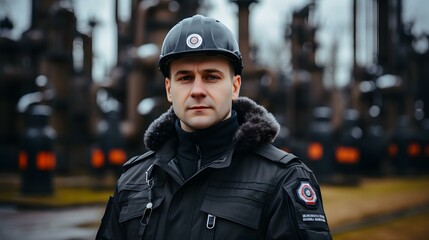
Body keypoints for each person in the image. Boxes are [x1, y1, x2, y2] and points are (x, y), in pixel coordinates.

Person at [96, 14, 332, 239]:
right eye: (185, 78)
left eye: (211, 77)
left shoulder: (283, 180)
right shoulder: (132, 181)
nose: (197, 91)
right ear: (169, 89)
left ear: (235, 86)